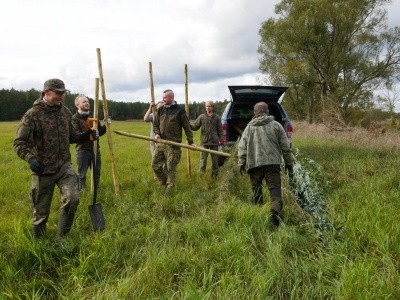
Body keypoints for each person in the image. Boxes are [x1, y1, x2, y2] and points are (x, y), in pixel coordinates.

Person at [13, 78, 93, 239]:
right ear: (46, 92)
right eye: (57, 93)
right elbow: (19, 142)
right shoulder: (32, 115)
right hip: (42, 170)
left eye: (62, 93)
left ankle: (61, 239)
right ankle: (39, 244)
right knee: (41, 212)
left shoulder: (65, 112)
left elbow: (71, 137)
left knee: (73, 199)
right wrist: (31, 159)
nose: (61, 97)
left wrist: (87, 135)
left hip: (64, 167)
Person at [237, 102, 293, 227]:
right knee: (275, 189)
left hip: (254, 164)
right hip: (272, 164)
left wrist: (241, 163)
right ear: (267, 111)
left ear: (255, 113)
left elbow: (242, 147)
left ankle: (258, 212)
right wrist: (289, 164)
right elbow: (286, 146)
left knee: (256, 188)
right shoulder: (276, 125)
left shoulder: (249, 128)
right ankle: (275, 212)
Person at [152, 89, 195, 190]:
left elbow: (187, 127)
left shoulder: (180, 111)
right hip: (161, 143)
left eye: (165, 97)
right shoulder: (160, 109)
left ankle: (170, 189)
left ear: (171, 98)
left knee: (170, 168)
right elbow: (155, 125)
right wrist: (157, 134)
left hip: (173, 145)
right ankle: (164, 183)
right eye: (162, 97)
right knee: (155, 165)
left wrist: (191, 142)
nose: (162, 99)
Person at [71, 95, 107, 191]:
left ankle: (96, 190)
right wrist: (89, 133)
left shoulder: (93, 116)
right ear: (77, 104)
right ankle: (82, 192)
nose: (87, 103)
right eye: (84, 102)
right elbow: (76, 135)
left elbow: (99, 131)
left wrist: (106, 126)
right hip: (82, 150)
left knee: (96, 172)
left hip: (95, 149)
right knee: (82, 174)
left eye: (87, 101)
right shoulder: (75, 118)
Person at [190, 100, 223, 178]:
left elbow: (220, 130)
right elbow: (195, 127)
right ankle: (201, 177)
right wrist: (187, 125)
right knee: (203, 161)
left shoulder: (217, 117)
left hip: (214, 142)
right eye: (207, 106)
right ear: (205, 107)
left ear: (212, 107)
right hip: (204, 142)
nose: (208, 108)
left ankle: (215, 177)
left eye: (210, 106)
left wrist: (221, 140)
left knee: (215, 162)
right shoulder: (202, 117)